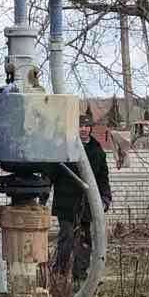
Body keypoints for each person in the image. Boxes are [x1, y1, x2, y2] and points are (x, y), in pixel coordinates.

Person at [51, 116, 112, 282]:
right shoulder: (65, 148)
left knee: (84, 242)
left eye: (86, 126)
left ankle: (80, 277)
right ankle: (60, 275)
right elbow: (52, 174)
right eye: (80, 126)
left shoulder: (97, 151)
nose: (84, 129)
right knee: (68, 237)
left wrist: (105, 197)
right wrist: (42, 197)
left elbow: (102, 178)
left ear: (90, 128)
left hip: (86, 205)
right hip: (66, 202)